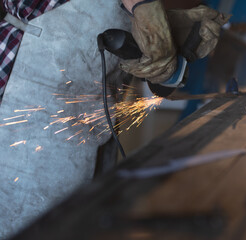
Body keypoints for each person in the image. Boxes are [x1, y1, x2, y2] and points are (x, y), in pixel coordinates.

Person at [0, 0, 229, 238]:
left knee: (84, 219)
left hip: (95, 126)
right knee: (30, 222)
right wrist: (144, 9)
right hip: (33, 117)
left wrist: (165, 46)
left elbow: (157, 80)